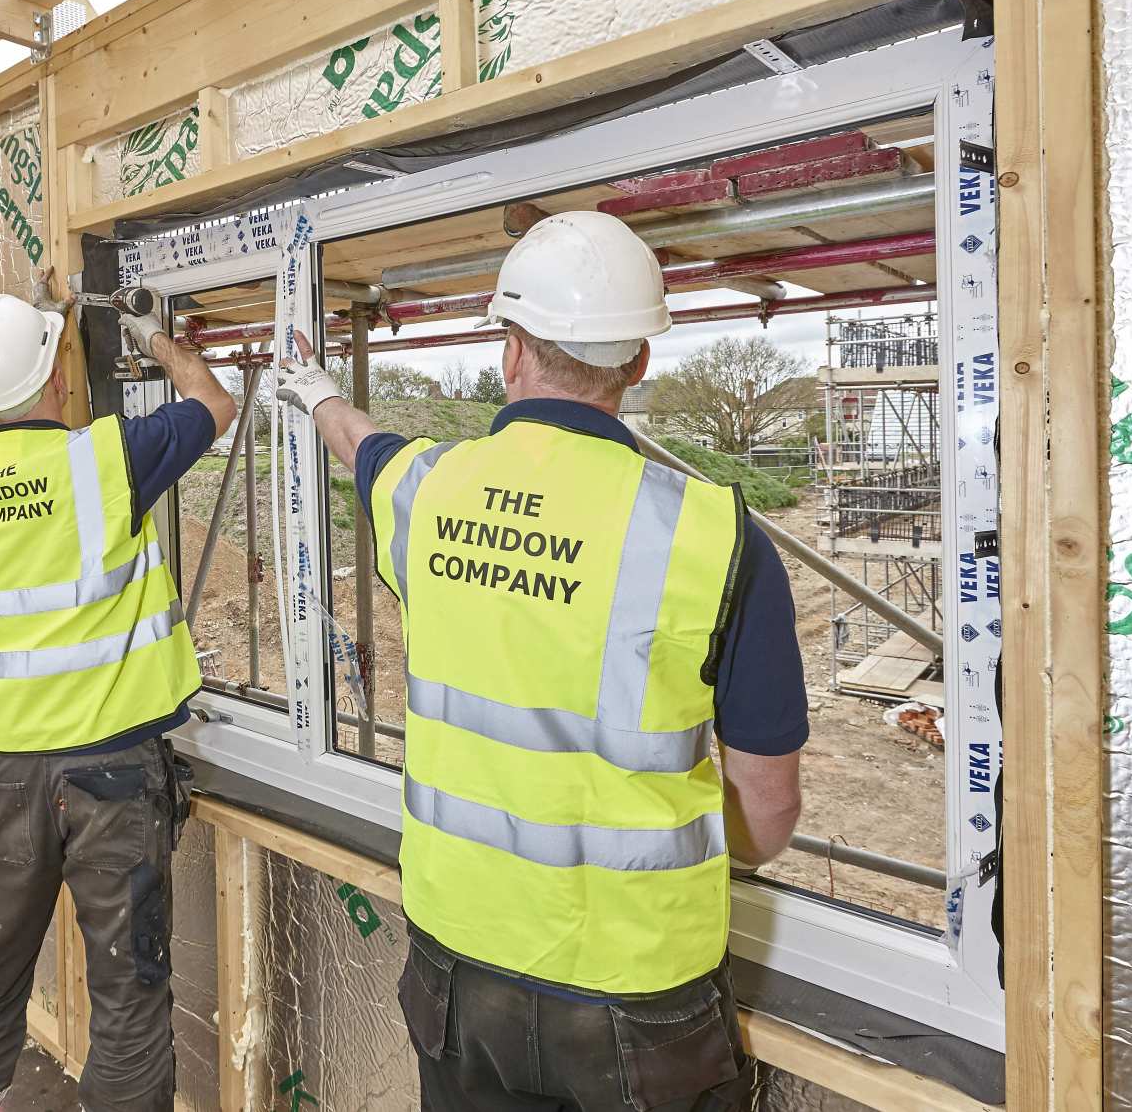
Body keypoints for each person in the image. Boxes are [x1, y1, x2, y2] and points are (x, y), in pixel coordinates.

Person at [275, 211, 807, 1112]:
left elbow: (362, 450)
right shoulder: (713, 537)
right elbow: (768, 816)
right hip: (637, 996)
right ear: (638, 360)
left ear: (511, 350)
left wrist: (317, 390)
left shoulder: (426, 489)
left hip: (459, 963)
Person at [0, 291, 235, 1112]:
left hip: (8, 783)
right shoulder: (107, 461)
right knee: (127, 1001)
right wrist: (155, 339)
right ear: (60, 369)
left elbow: (25, 469)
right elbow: (213, 402)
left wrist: (41, 347)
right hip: (113, 781)